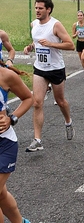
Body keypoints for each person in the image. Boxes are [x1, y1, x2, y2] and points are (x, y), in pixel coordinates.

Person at [23, 0, 75, 152]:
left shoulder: (55, 25)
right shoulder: (34, 24)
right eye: (36, 8)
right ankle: (37, 139)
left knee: (60, 101)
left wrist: (52, 44)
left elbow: (70, 45)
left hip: (56, 68)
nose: (37, 11)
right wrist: (31, 47)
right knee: (37, 102)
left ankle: (68, 122)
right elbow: (37, 41)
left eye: (40, 8)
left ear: (48, 9)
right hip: (40, 68)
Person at [0, 61, 33, 223]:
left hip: (4, 144)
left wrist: (11, 119)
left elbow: (28, 98)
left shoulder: (5, 75)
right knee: (1, 194)